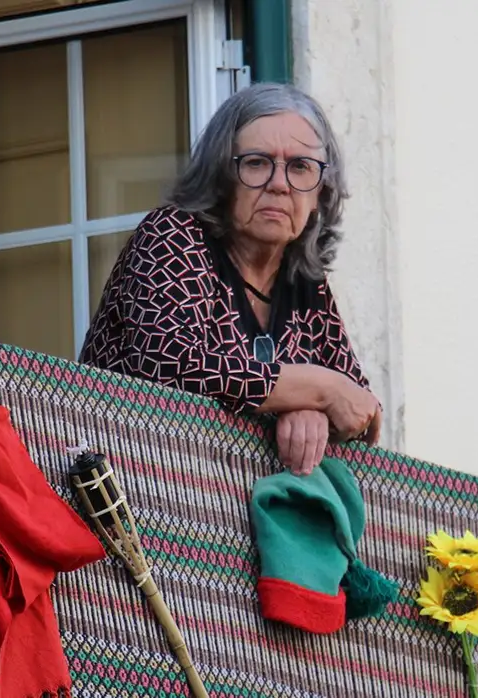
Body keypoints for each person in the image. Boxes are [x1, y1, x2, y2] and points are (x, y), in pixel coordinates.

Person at [80, 82, 382, 475]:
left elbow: (360, 412)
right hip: (127, 487)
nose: (278, 183)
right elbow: (168, 365)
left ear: (320, 193)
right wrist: (317, 389)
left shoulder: (305, 278)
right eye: (256, 162)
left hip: (227, 517)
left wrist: (311, 411)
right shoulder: (173, 235)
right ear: (221, 176)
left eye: (299, 167)